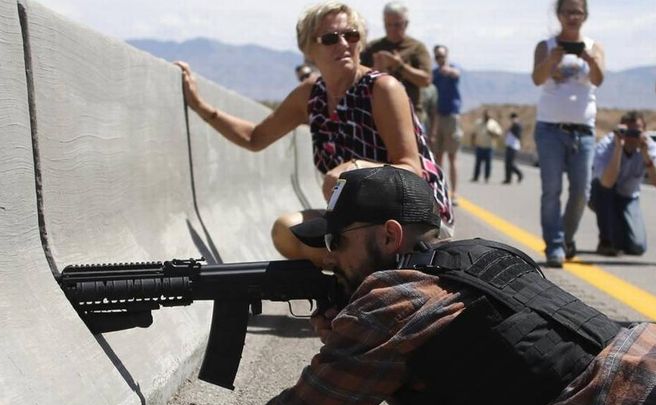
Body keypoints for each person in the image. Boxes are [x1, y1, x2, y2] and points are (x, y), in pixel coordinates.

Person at [257, 165, 656, 405]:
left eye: (335, 241)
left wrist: (349, 346)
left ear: (389, 236)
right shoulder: (487, 255)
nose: (330, 257)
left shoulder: (392, 298)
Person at [175, 2, 453, 267]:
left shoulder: (382, 89)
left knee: (347, 212)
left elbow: (410, 168)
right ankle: (353, 277)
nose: (344, 44)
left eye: (351, 35)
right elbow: (254, 138)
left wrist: (355, 170)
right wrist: (199, 106)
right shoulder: (310, 96)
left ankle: (356, 281)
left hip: (411, 218)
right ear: (308, 49)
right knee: (286, 231)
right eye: (331, 38)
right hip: (359, 223)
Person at [531, 0, 605, 268]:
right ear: (559, 15)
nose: (573, 16)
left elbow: (598, 79)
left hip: (583, 130)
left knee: (581, 192)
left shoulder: (594, 46)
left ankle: (565, 238)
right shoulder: (546, 46)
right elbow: (537, 79)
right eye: (568, 12)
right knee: (551, 190)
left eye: (578, 12)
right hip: (550, 128)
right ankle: (555, 245)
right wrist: (551, 60)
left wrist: (591, 61)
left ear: (585, 16)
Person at [590, 111, 656, 256]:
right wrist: (618, 148)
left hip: (629, 198)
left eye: (636, 132)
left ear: (644, 131)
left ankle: (618, 237)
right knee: (603, 188)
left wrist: (646, 155)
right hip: (602, 194)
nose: (631, 137)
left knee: (637, 247)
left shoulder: (650, 146)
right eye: (627, 131)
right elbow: (606, 182)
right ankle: (605, 241)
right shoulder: (607, 144)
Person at [360, 2, 432, 120]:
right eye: (388, 24)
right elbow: (356, 79)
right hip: (378, 115)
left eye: (397, 25)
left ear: (406, 24)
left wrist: (400, 66)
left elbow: (425, 80)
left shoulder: (417, 47)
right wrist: (375, 72)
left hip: (410, 116)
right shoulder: (372, 48)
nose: (392, 29)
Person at [430, 45, 462, 202]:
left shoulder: (453, 70)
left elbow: (457, 74)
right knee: (437, 157)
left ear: (447, 56)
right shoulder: (434, 74)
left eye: (442, 56)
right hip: (437, 117)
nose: (440, 59)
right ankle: (439, 190)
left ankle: (455, 192)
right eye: (437, 57)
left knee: (452, 156)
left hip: (451, 117)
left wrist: (448, 70)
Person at [469, 109, 501, 184]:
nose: (487, 116)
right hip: (480, 146)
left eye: (488, 115)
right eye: (486, 115)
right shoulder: (478, 123)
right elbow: (473, 134)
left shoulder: (493, 124)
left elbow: (499, 134)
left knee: (488, 164)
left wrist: (492, 133)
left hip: (489, 147)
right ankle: (475, 177)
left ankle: (487, 177)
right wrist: (472, 143)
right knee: (478, 163)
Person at [503, 112, 524, 184]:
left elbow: (518, 135)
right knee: (507, 163)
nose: (512, 120)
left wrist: (514, 125)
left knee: (511, 163)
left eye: (513, 118)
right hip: (509, 146)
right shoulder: (512, 126)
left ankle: (519, 174)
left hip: (514, 146)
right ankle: (508, 179)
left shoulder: (517, 125)